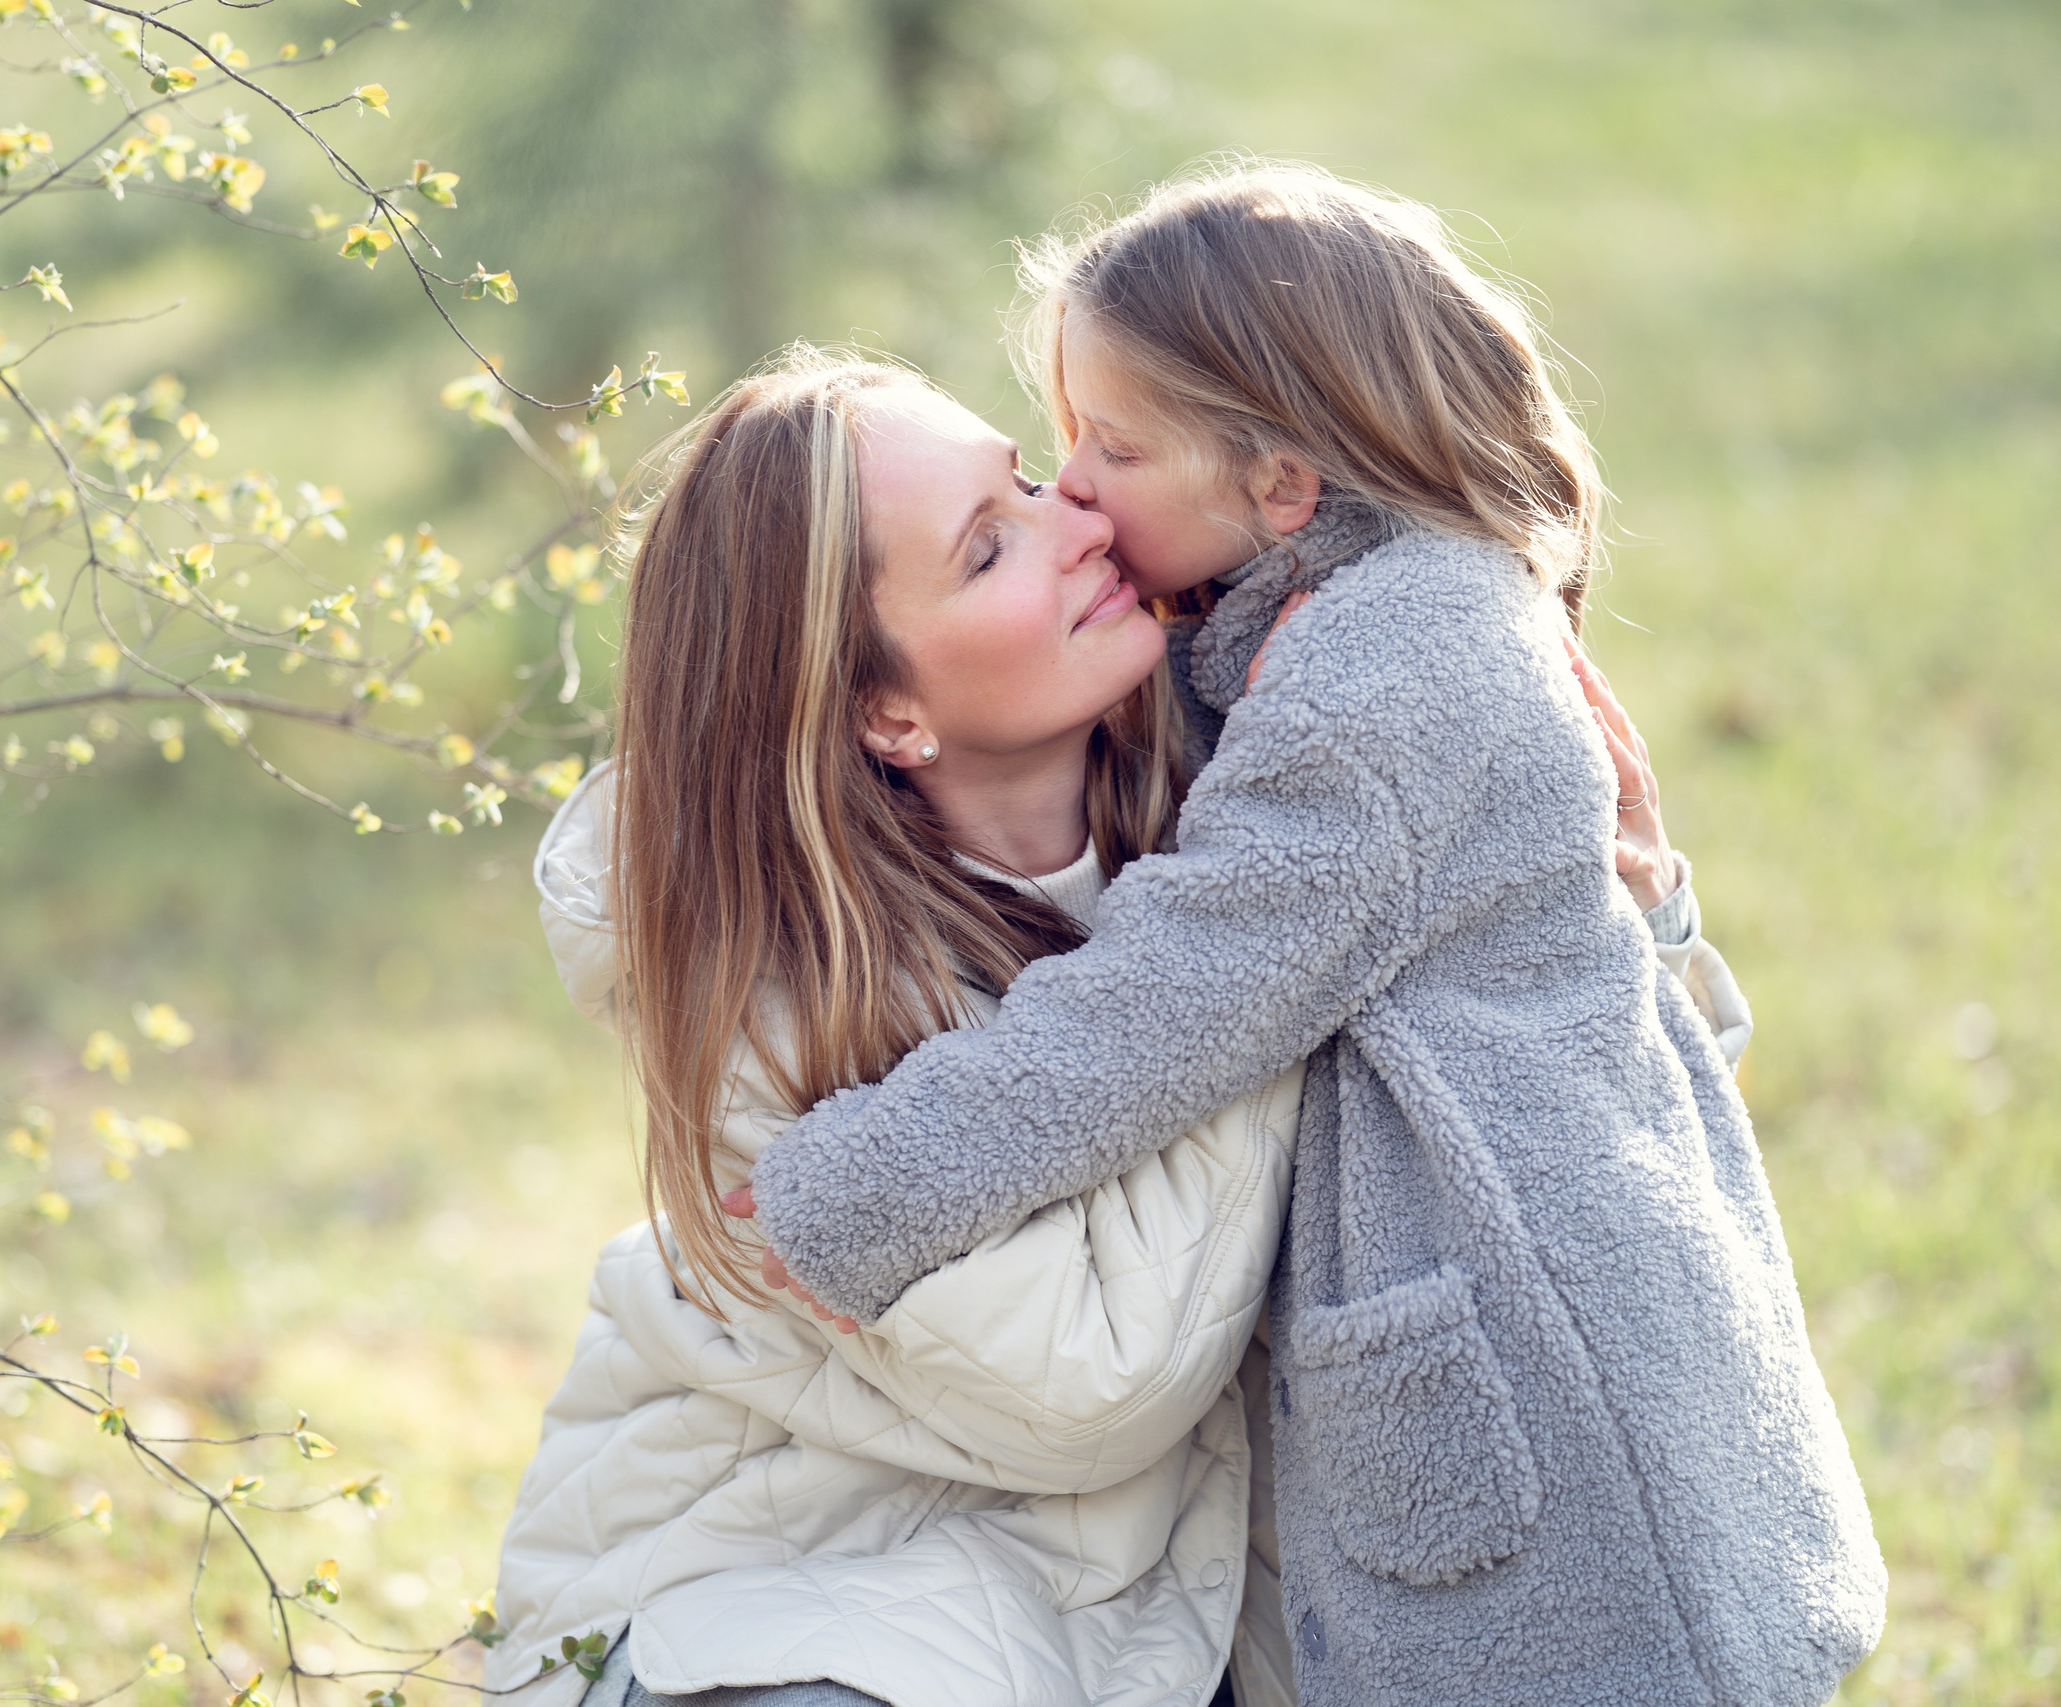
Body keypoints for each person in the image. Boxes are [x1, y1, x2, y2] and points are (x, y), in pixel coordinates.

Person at [739, 166, 1884, 1706]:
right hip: (1563, 1349)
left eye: (1111, 446)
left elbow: (1163, 1001)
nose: (1072, 487)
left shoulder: (1388, 678)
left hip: (1557, 1410)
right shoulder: (1338, 627)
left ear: (1280, 482)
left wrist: (867, 1186)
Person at [489, 345, 1743, 1707]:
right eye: (987, 549)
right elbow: (1090, 1390)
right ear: (882, 711)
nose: (1077, 519)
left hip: (1180, 1601)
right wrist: (1291, 941)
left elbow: (1577, 1143)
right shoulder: (775, 979)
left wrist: (1639, 907)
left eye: (1024, 479)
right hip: (796, 1585)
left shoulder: (1258, 752)